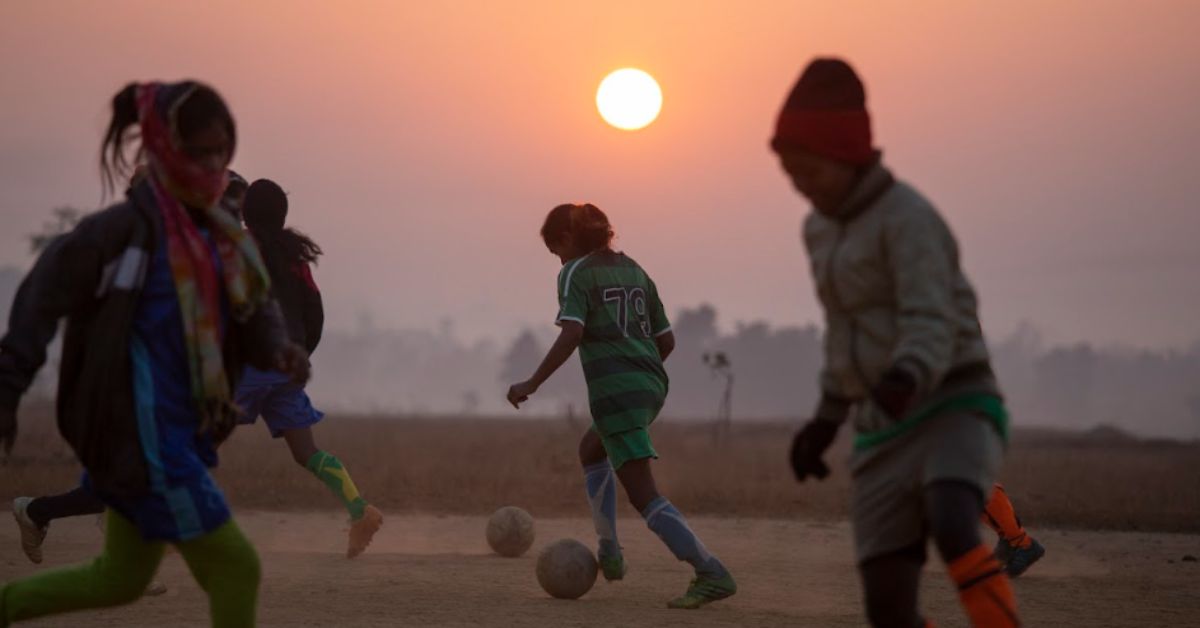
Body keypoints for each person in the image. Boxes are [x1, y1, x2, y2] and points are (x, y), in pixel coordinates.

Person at [0, 80, 308, 626]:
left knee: (119, 579)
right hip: (145, 443)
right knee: (237, 569)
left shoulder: (224, 242)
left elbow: (254, 310)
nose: (213, 165)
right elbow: (38, 301)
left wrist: (280, 349)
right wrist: (6, 385)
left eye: (221, 152)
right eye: (201, 151)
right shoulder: (119, 234)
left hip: (177, 435)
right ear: (167, 151)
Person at [772, 58, 1020, 626]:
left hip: (953, 399)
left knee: (953, 517)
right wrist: (826, 417)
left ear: (847, 155)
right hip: (881, 420)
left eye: (810, 172)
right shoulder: (818, 230)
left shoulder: (908, 218)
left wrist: (907, 374)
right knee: (887, 603)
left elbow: (931, 316)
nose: (801, 187)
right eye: (791, 175)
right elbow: (841, 328)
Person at [506, 203, 736, 610]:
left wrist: (532, 382)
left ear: (566, 240)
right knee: (591, 449)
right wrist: (637, 373)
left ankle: (710, 571)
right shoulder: (635, 270)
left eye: (555, 252)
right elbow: (667, 342)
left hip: (617, 396)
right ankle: (609, 550)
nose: (557, 261)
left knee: (643, 494)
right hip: (652, 385)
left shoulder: (575, 272)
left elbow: (572, 332)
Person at [236, 178, 383, 558]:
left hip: (250, 366)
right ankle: (359, 511)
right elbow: (314, 311)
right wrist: (301, 353)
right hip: (287, 366)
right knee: (307, 453)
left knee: (195, 442)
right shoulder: (294, 258)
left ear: (244, 214)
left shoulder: (238, 250)